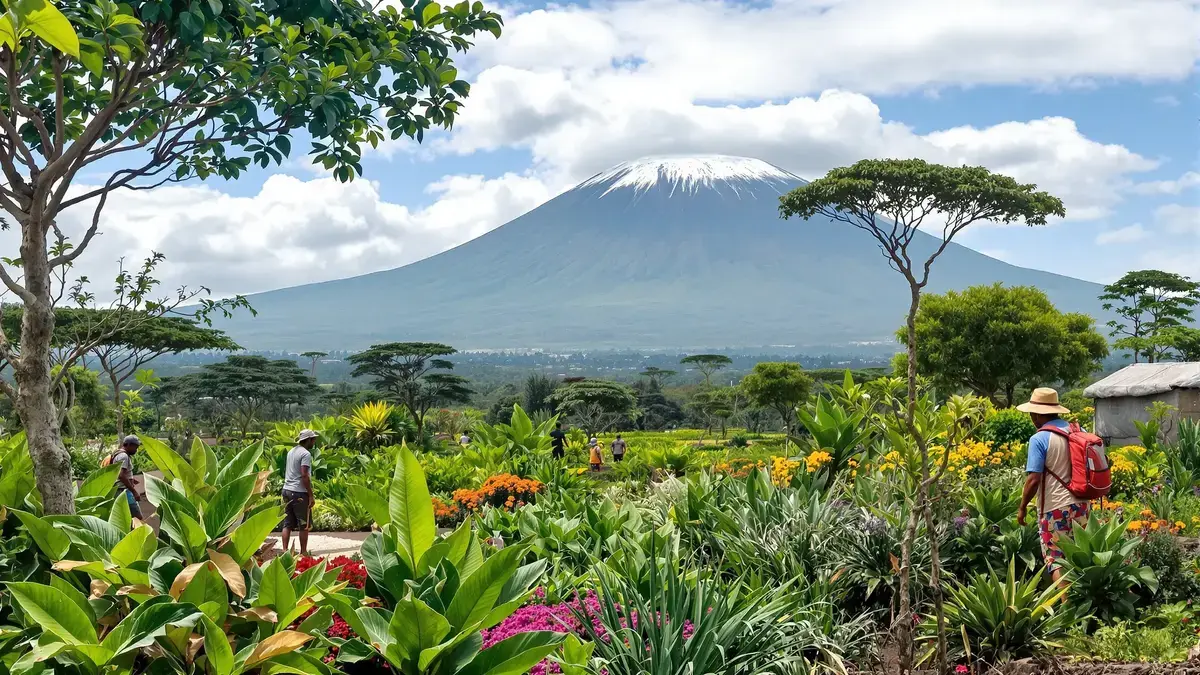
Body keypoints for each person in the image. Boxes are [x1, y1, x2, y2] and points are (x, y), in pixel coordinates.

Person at [1016, 388, 1085, 582]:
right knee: (1080, 554)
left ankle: (1066, 609)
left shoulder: (1039, 438)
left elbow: (1034, 480)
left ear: (1037, 414)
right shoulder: (1078, 431)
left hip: (1055, 508)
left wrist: (1022, 508)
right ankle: (1084, 604)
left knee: (1056, 559)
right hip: (1082, 505)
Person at [282, 429, 319, 555]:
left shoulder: (291, 451)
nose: (314, 442)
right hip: (299, 492)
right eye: (313, 439)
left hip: (286, 490)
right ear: (308, 440)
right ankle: (303, 553)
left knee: (287, 523)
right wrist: (310, 495)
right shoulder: (305, 454)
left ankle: (284, 551)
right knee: (304, 524)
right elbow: (304, 475)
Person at [111, 435, 145, 522]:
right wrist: (134, 491)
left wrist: (131, 479)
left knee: (126, 517)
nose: (136, 450)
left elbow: (120, 473)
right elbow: (121, 475)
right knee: (137, 517)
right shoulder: (123, 456)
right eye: (135, 447)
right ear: (129, 445)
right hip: (123, 491)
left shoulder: (118, 454)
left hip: (120, 490)